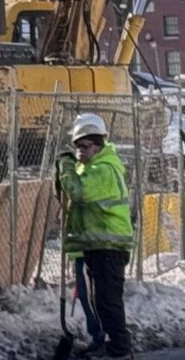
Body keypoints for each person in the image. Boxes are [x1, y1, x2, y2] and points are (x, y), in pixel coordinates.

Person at [59, 112, 134, 358]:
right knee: (99, 301)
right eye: (77, 146)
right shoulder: (89, 168)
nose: (80, 150)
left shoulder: (104, 170)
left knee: (108, 301)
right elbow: (69, 193)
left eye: (85, 145)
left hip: (109, 246)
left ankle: (119, 348)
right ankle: (109, 343)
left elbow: (79, 192)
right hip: (98, 246)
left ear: (98, 145)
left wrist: (67, 167)